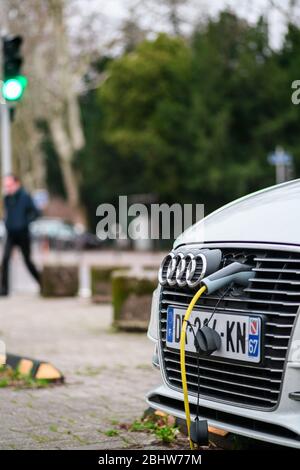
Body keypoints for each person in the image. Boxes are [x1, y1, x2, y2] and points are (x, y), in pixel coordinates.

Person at [1, 174, 41, 296]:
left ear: (17, 184)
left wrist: (25, 223)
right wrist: (7, 223)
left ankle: (42, 282)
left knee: (27, 261)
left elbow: (36, 213)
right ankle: (4, 289)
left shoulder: (25, 196)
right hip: (11, 234)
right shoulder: (7, 198)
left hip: (23, 234)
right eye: (5, 186)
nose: (7, 188)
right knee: (5, 259)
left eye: (9, 185)